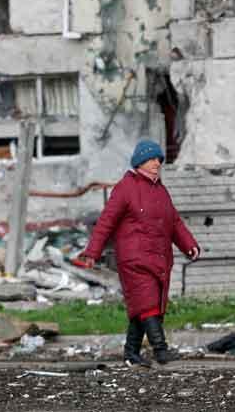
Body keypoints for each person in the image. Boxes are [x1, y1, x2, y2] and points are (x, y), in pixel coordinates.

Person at [74, 140, 200, 367]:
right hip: (134, 259)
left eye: (159, 159)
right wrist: (92, 252)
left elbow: (175, 223)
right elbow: (106, 223)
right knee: (148, 304)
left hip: (159, 258)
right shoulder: (126, 188)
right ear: (140, 161)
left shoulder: (161, 190)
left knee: (145, 307)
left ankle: (131, 352)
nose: (157, 163)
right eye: (152, 159)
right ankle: (161, 351)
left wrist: (189, 245)